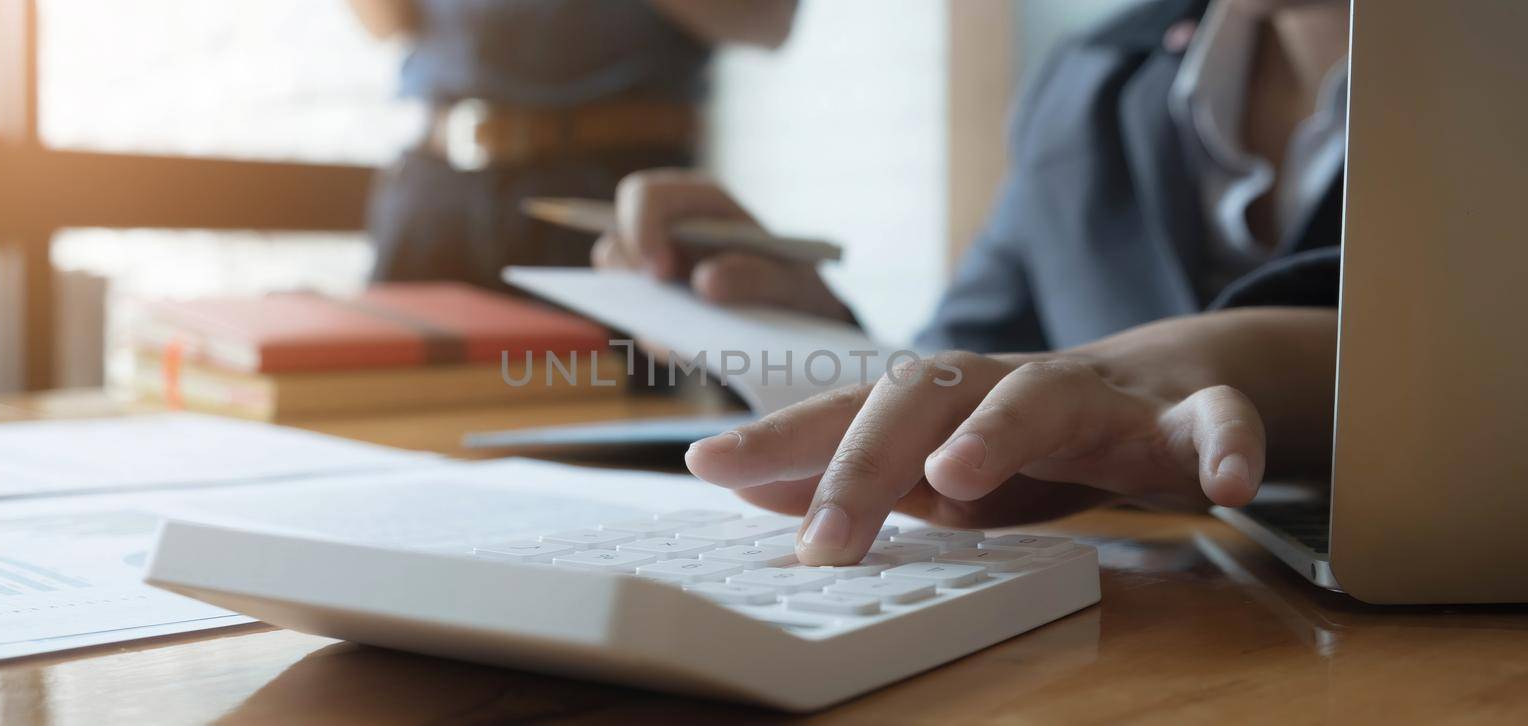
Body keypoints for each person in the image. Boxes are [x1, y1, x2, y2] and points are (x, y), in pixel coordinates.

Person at [592, 0, 1352, 565]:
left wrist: (1146, 372)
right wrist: (790, 326)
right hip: (1127, 620)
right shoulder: (1088, 80)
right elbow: (964, 369)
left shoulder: (1472, 88)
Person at [345, 0, 798, 290]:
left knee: (605, 431)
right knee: (371, 415)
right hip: (437, 185)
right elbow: (385, 21)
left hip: (608, 193)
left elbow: (766, 18)